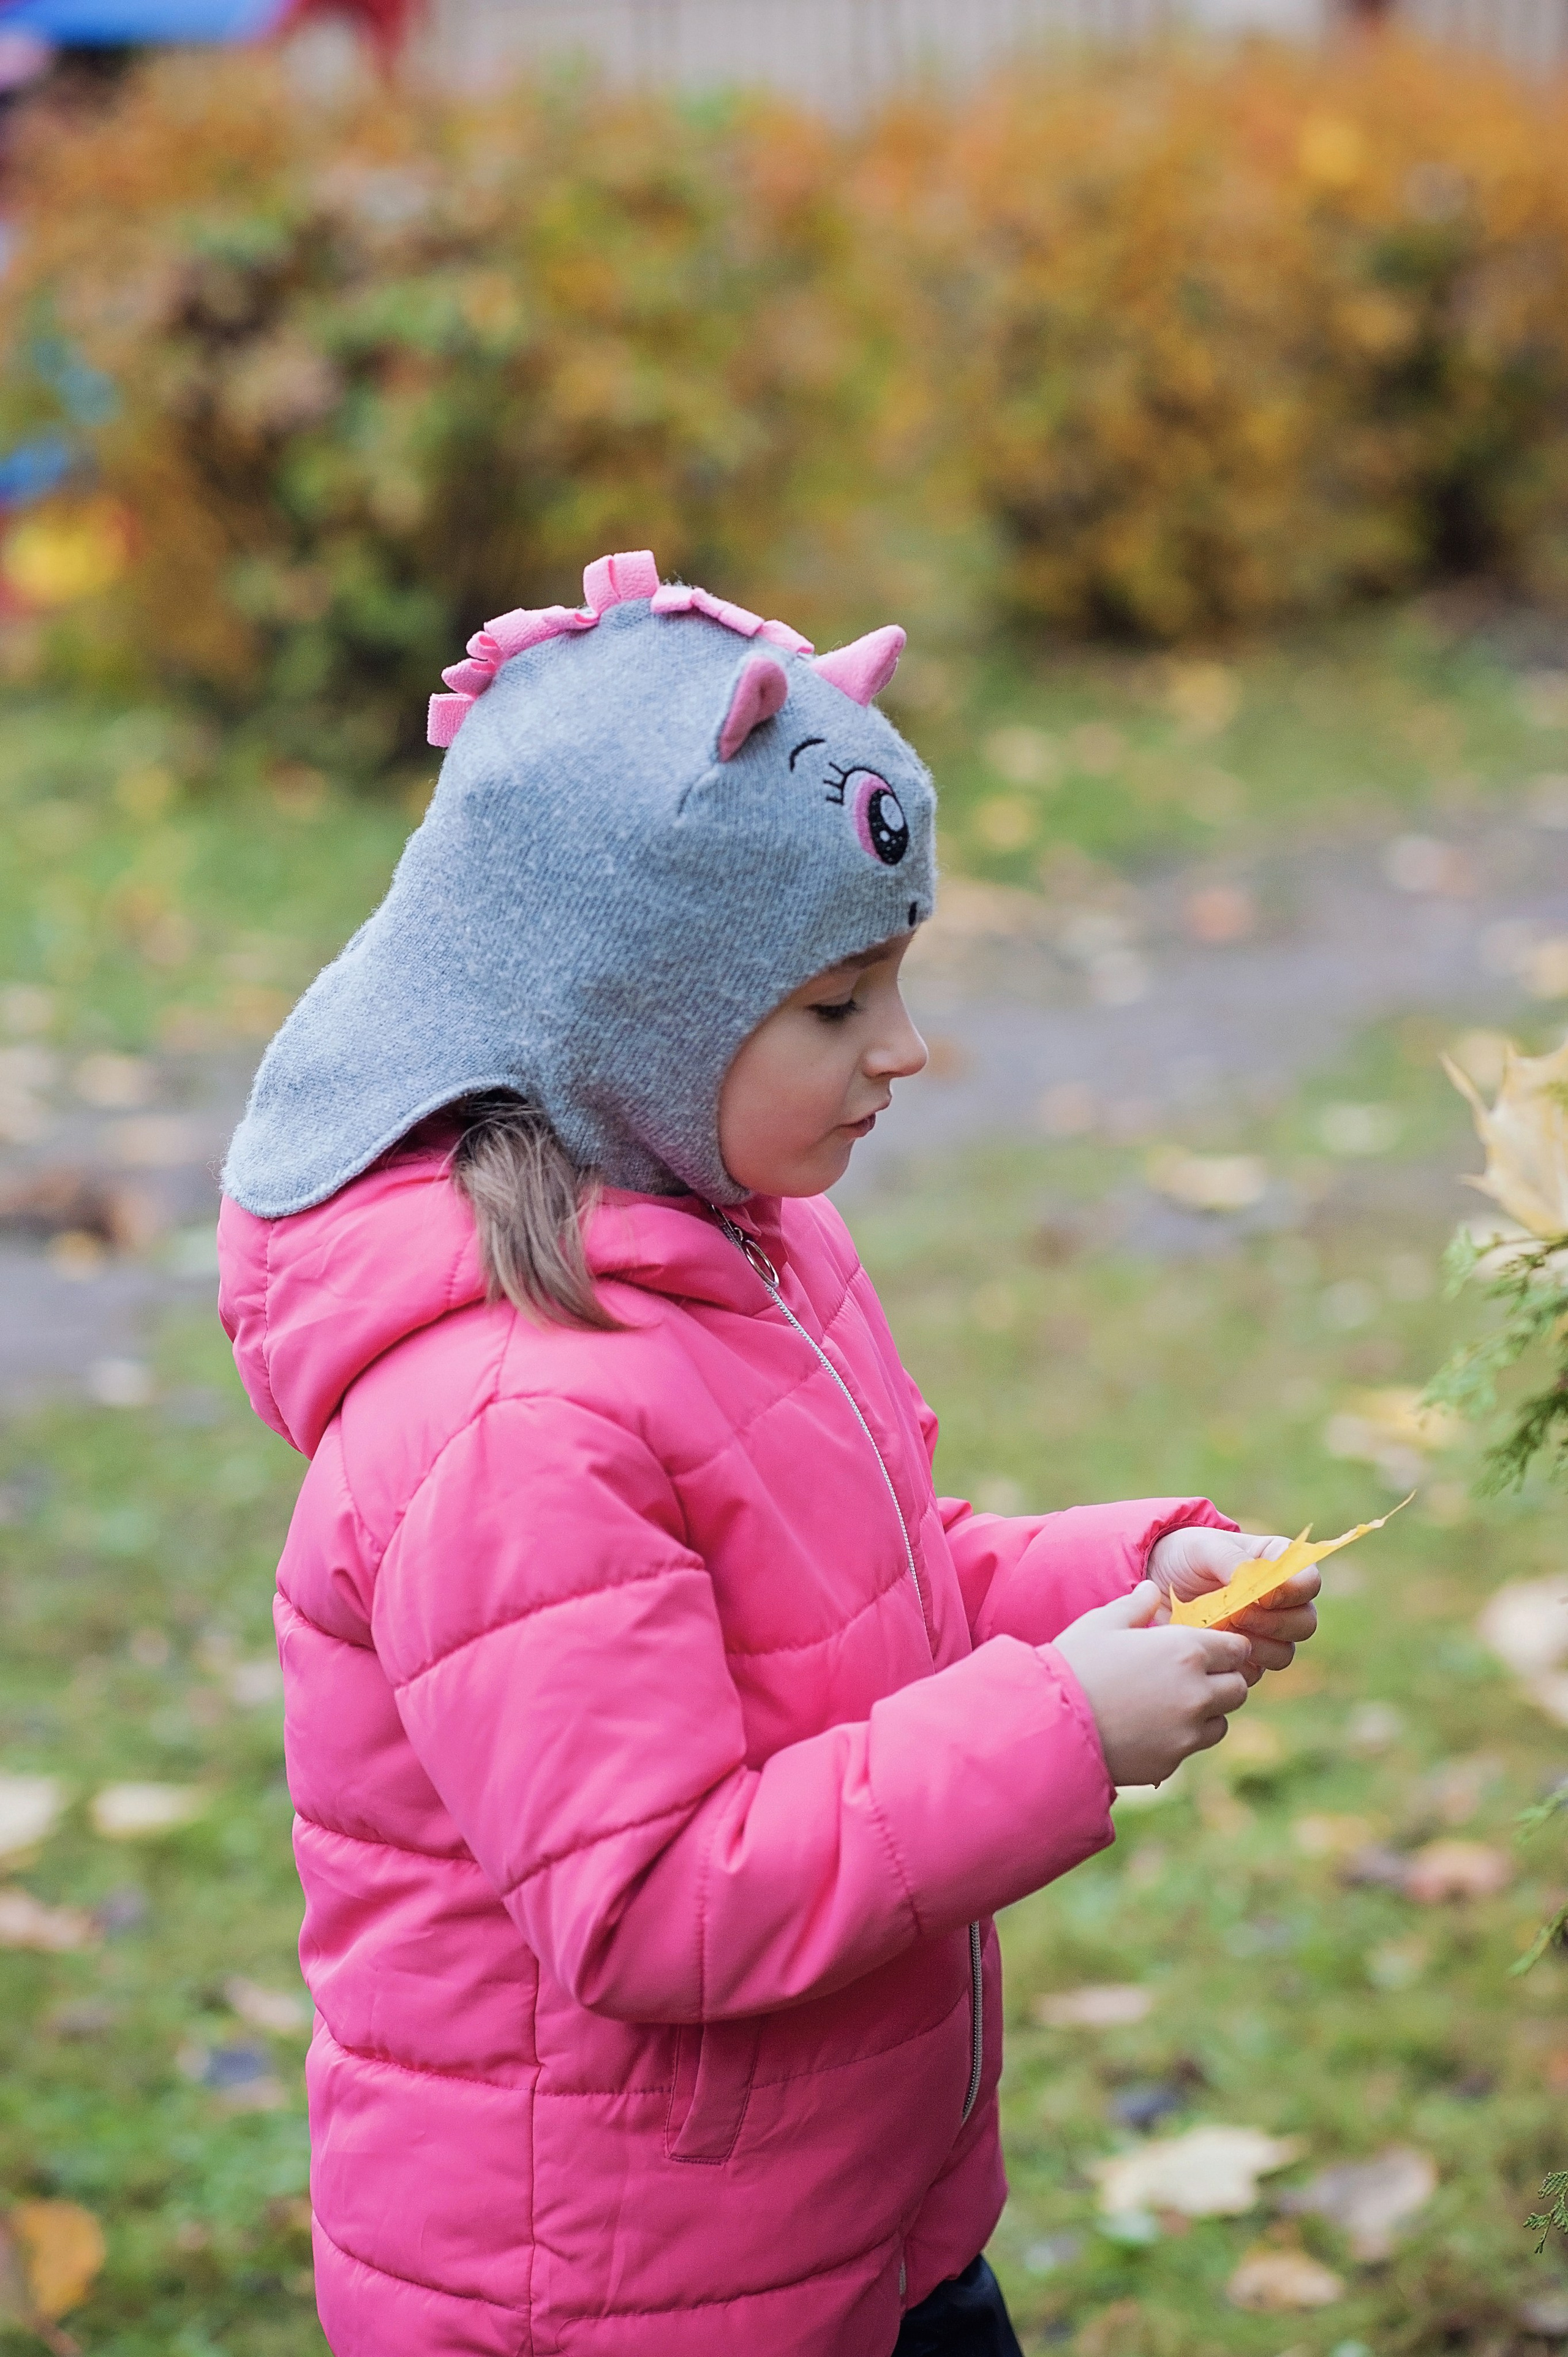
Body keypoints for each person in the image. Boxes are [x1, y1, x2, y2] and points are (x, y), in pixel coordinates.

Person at [216, 549, 1319, 2357]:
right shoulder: (510, 1421)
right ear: (627, 1013)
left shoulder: (742, 1242)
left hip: (852, 2236)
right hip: (624, 2294)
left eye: (896, 980)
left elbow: (859, 1605)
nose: (906, 1049)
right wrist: (1064, 1726)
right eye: (835, 1005)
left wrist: (1125, 1581)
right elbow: (656, 1903)